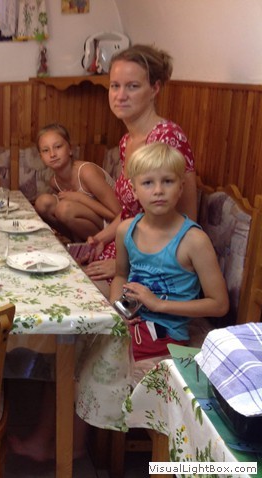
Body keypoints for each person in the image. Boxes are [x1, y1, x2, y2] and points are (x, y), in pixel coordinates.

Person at [110, 142, 228, 382]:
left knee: (111, 367)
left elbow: (219, 305)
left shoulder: (194, 240)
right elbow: (121, 274)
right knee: (83, 345)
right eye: (147, 183)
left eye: (167, 181)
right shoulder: (125, 230)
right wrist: (117, 309)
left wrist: (158, 305)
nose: (158, 190)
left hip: (166, 335)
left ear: (181, 187)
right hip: (130, 322)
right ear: (134, 189)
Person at [83, 44, 198, 289]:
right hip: (128, 249)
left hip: (158, 267)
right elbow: (131, 213)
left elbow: (187, 223)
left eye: (132, 86)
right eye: (115, 86)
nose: (120, 95)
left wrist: (123, 266)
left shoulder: (168, 138)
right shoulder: (127, 141)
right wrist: (102, 238)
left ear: (155, 89)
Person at [34, 123, 120, 242]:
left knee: (64, 209)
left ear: (70, 149)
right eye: (45, 150)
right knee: (42, 203)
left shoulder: (87, 172)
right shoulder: (54, 182)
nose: (52, 154)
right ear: (41, 157)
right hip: (93, 223)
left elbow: (118, 214)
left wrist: (79, 198)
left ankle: (96, 243)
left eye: (58, 147)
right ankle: (78, 242)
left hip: (113, 225)